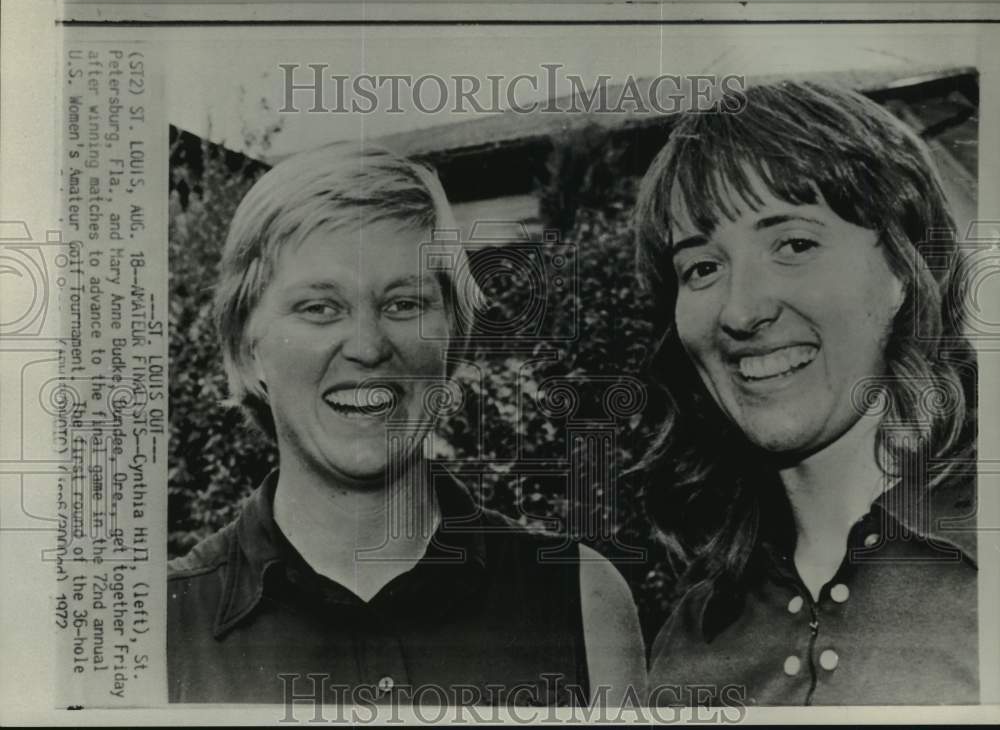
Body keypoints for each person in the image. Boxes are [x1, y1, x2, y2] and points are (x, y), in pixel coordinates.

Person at [168, 143, 645, 706]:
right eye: (320, 308)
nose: (369, 347)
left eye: (404, 304)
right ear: (248, 352)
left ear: (452, 340)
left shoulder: (582, 601)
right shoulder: (159, 630)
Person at [634, 81, 978, 706]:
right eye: (702, 267)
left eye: (794, 244)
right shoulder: (689, 641)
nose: (741, 309)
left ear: (903, 267)